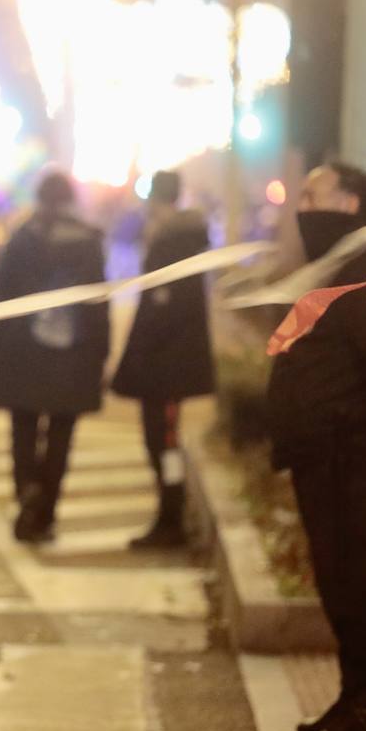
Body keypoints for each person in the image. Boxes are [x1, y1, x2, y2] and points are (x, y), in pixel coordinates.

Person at [268, 161, 366, 731]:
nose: (302, 206)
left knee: (357, 582)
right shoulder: (337, 264)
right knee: (337, 583)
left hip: (355, 457)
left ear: (349, 203)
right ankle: (352, 698)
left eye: (314, 195)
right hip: (324, 455)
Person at [0, 172, 109, 543]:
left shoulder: (21, 238)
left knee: (22, 429)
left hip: (21, 351)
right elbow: (97, 306)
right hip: (73, 356)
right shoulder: (88, 242)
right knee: (60, 434)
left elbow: (0, 297)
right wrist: (101, 354)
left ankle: (27, 494)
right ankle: (47, 511)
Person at [112, 170, 214, 549]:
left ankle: (171, 517)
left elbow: (164, 309)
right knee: (160, 442)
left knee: (165, 442)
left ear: (155, 199)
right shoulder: (177, 238)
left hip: (167, 367)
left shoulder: (174, 243)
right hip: (164, 365)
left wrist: (139, 357)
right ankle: (168, 513)